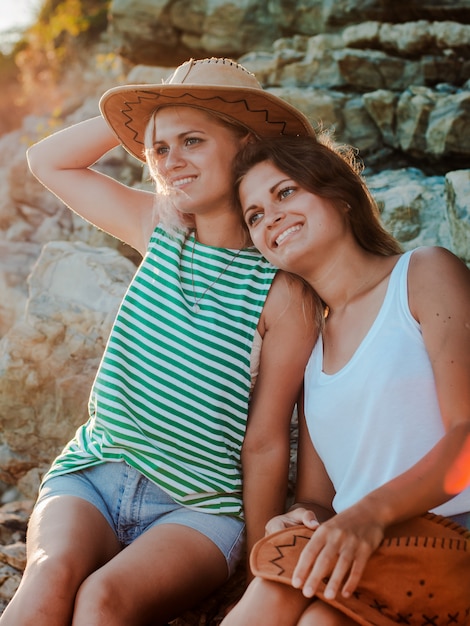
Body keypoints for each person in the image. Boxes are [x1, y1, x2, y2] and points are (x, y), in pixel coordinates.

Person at [0, 58, 320, 626]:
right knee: (50, 575)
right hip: (95, 473)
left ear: (247, 146)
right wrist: (145, 105)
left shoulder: (281, 291)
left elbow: (268, 440)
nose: (173, 161)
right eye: (160, 148)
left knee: (103, 600)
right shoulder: (158, 228)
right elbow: (47, 160)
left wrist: (255, 564)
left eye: (193, 140)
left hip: (199, 510)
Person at [221, 134, 470, 625]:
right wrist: (299, 518)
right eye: (253, 215)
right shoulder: (311, 350)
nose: (269, 216)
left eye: (285, 192)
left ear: (338, 194)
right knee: (278, 591)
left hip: (450, 535)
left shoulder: (422, 274)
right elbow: (319, 496)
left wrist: (368, 515)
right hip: (366, 547)